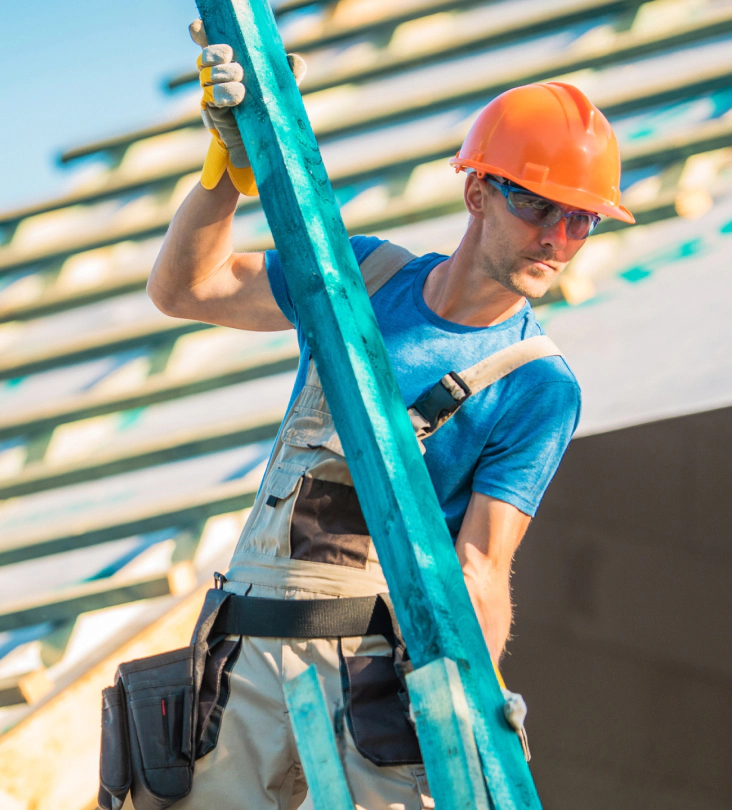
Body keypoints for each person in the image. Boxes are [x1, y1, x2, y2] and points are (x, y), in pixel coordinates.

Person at [143, 21, 634, 810]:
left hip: (371, 684)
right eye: (542, 207)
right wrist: (224, 175)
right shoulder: (364, 277)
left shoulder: (538, 386)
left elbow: (481, 566)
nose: (560, 237)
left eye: (583, 220)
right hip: (244, 658)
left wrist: (476, 701)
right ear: (479, 192)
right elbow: (184, 290)